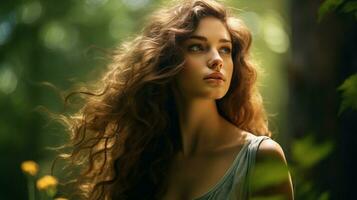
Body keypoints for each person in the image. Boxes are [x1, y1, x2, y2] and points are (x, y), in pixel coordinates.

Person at [55, 0, 294, 199]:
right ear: (167, 61)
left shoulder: (260, 157)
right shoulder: (145, 163)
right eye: (198, 47)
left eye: (225, 49)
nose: (216, 60)